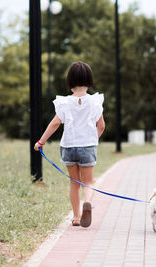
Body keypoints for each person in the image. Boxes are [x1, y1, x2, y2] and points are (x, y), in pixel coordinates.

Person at [34, 62, 105, 228]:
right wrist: (93, 140)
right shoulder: (95, 102)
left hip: (68, 147)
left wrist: (40, 141)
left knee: (74, 183)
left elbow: (55, 123)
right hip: (87, 146)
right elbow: (101, 126)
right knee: (87, 182)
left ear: (70, 80)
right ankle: (87, 202)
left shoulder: (64, 103)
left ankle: (76, 217)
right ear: (89, 80)